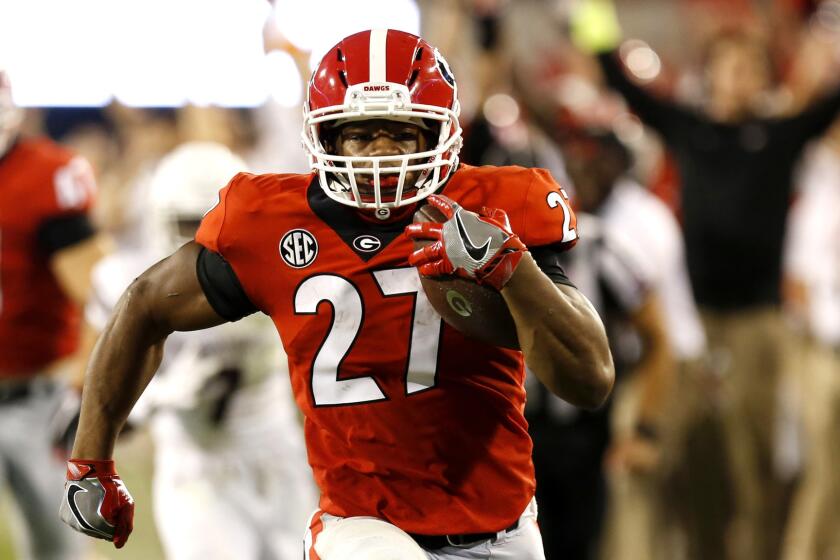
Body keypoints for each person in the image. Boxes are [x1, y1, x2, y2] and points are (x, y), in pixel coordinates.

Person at [59, 29, 614, 559]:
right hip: (363, 526)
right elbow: (144, 305)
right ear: (324, 136)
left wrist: (511, 269)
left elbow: (589, 380)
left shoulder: (496, 206)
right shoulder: (269, 221)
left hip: (504, 523)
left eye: (401, 132)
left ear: (440, 133)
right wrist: (90, 461)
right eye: (359, 132)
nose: (378, 152)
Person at [571, 3, 840, 558]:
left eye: (749, 68)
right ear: (710, 73)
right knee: (694, 465)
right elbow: (624, 84)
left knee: (756, 463)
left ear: (765, 78)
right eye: (729, 66)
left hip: (759, 327)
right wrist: (592, 17)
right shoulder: (689, 130)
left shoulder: (780, 134)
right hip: (691, 329)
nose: (738, 77)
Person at [83, 142, 316, 559]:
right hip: (194, 465)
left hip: (275, 452)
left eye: (210, 221)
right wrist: (161, 397)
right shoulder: (131, 285)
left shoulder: (275, 273)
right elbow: (108, 394)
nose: (200, 239)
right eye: (187, 223)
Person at [0, 68, 107, 559]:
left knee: (55, 548)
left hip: (35, 396)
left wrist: (82, 381)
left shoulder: (44, 177)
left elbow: (99, 296)